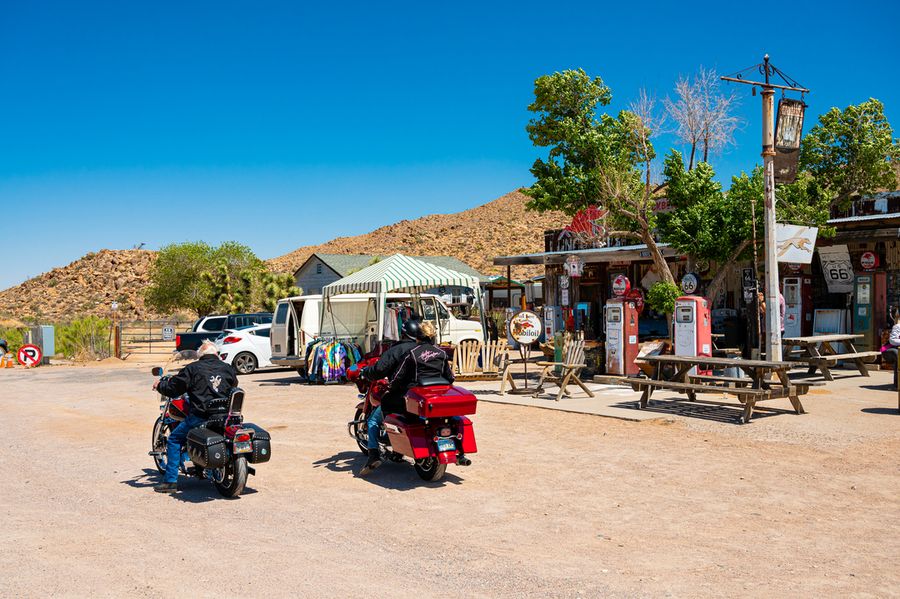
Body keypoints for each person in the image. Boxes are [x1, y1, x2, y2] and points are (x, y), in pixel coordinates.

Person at [358, 320, 457, 476]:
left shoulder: (410, 353)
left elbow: (396, 376)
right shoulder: (441, 353)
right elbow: (450, 377)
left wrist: (391, 387)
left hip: (410, 396)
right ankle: (397, 450)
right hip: (433, 398)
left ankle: (373, 455)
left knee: (377, 414)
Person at [152, 340, 239, 493]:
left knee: (173, 440)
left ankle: (170, 482)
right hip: (225, 417)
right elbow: (233, 387)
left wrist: (159, 385)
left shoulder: (192, 369)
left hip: (201, 416)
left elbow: (173, 388)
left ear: (200, 355)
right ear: (216, 354)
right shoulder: (228, 369)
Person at [881, 309, 900, 387]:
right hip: (887, 350)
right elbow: (892, 341)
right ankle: (897, 383)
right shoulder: (898, 326)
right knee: (898, 355)